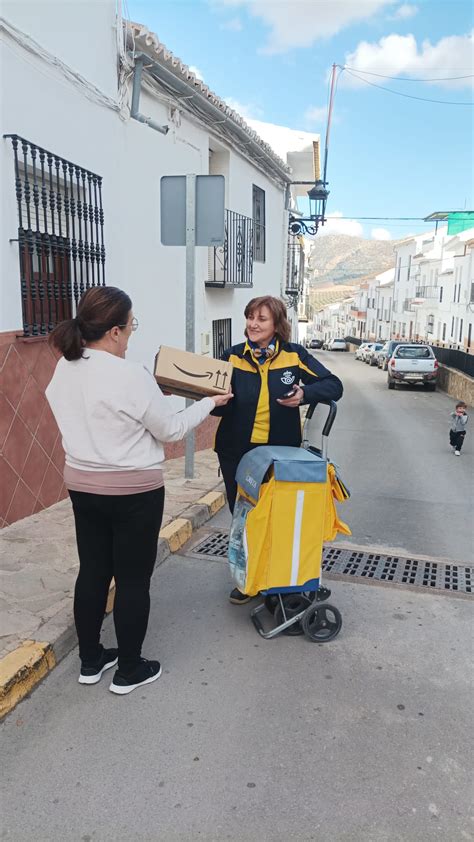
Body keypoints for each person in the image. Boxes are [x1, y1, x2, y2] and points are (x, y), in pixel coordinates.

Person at [46, 286, 233, 695]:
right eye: (131, 326)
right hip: (133, 493)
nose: (132, 334)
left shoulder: (66, 366)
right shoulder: (131, 375)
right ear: (114, 331)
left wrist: (151, 397)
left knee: (93, 571)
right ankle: (130, 668)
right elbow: (169, 430)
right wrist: (209, 403)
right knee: (132, 580)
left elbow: (106, 409)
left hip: (82, 485)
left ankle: (91, 660)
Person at [211, 295, 343, 604]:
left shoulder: (294, 356)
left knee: (276, 516)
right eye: (250, 317)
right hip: (235, 450)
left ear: (277, 325)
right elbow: (215, 409)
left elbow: (334, 384)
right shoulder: (232, 357)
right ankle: (248, 581)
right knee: (242, 515)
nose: (253, 324)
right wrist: (212, 399)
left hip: (278, 454)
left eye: (261, 319)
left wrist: (305, 394)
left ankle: (276, 576)